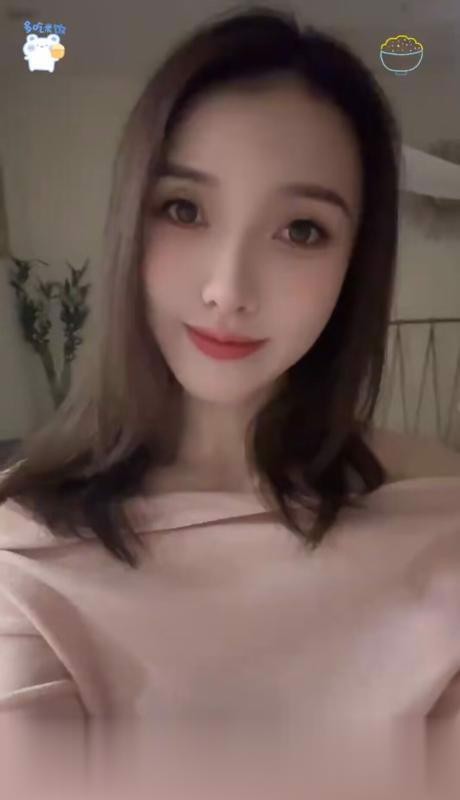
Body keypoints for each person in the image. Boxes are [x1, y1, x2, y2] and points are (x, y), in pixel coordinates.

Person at [0, 5, 460, 797]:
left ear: (356, 263)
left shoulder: (437, 517)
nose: (228, 289)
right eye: (184, 209)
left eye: (302, 230)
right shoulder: (28, 545)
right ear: (130, 222)